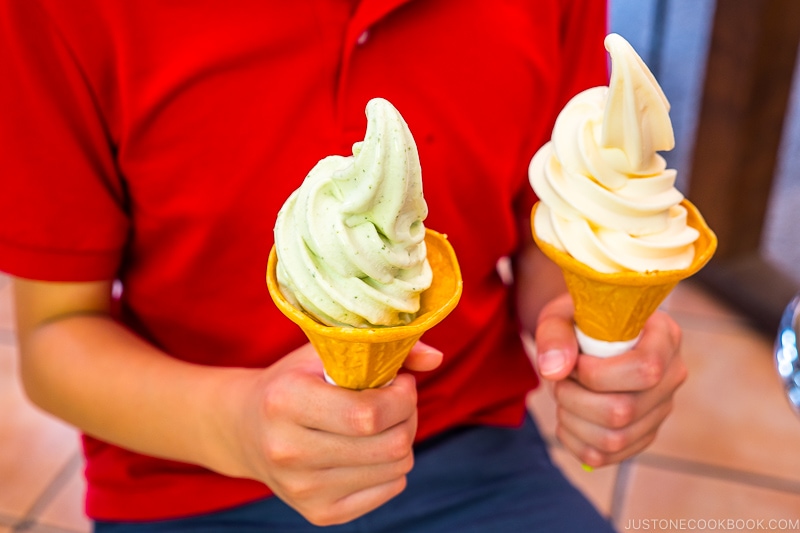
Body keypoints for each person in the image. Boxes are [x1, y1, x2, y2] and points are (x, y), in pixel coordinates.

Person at [0, 1, 686, 531]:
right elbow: (56, 334)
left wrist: (581, 325)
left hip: (466, 446)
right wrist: (238, 424)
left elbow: (543, 230)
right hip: (187, 476)